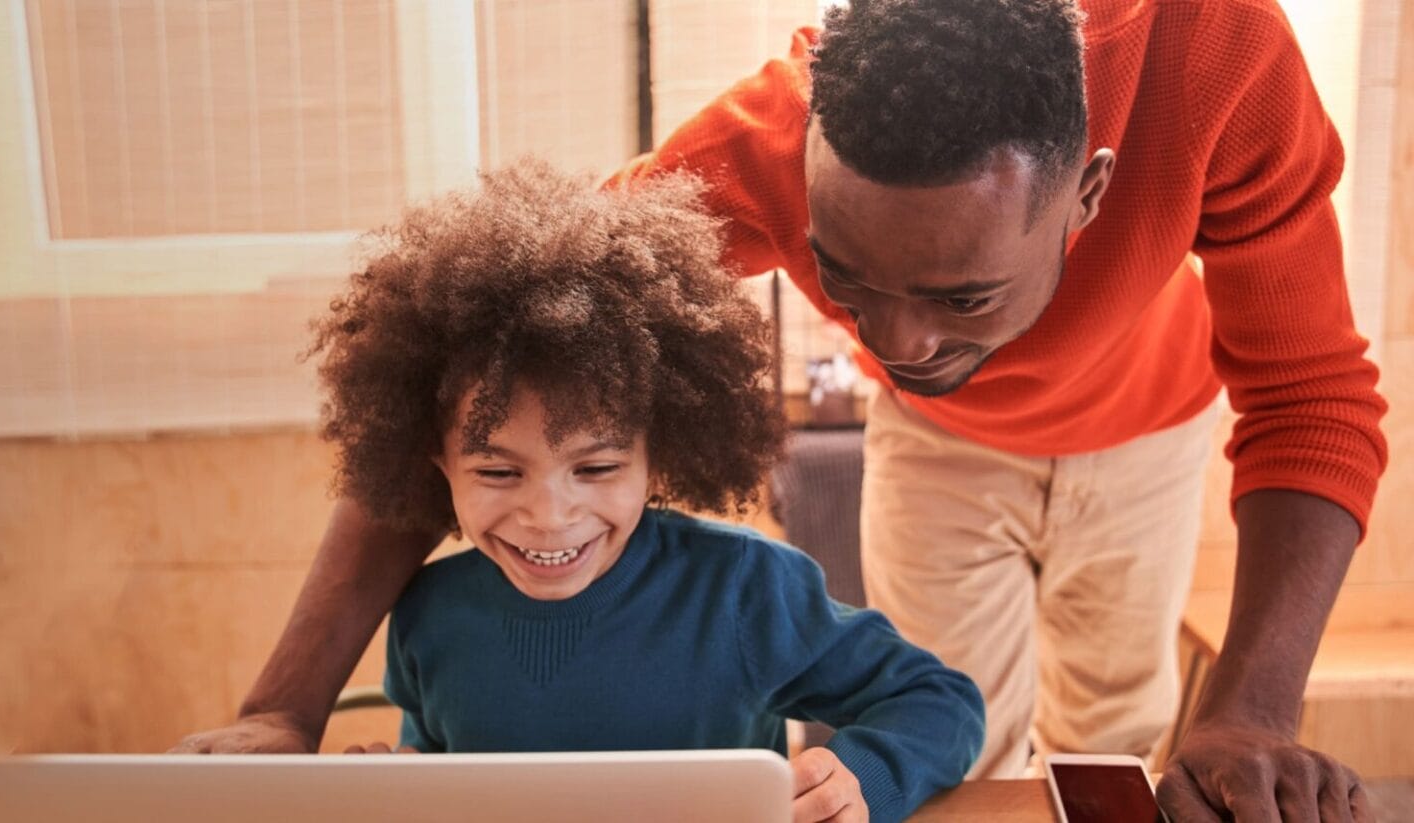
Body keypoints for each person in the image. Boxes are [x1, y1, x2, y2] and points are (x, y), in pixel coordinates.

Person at [177, 1, 1388, 820]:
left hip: (1154, 422)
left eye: (962, 293)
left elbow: (1310, 394)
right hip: (947, 453)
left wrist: (1250, 706)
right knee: (967, 729)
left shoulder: (1217, 57)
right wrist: (283, 704)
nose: (901, 343)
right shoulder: (755, 148)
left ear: (1088, 194)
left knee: (1115, 731)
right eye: (850, 280)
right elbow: (480, 366)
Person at [310, 162, 985, 823]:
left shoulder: (743, 589)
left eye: (596, 469)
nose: (549, 516)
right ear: (439, 463)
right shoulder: (429, 614)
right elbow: (439, 753)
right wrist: (399, 779)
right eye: (497, 471)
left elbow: (940, 701)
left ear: (655, 457)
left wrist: (862, 781)